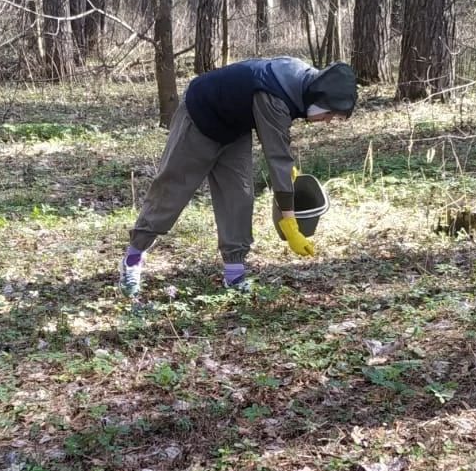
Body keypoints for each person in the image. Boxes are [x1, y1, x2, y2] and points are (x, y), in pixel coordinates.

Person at [120, 57, 357, 296]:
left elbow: (279, 139)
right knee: (172, 191)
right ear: (318, 100)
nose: (327, 121)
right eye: (328, 114)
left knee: (239, 197)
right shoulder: (274, 93)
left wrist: (288, 171)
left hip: (235, 127)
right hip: (200, 116)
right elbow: (276, 155)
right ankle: (133, 259)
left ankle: (234, 274)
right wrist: (290, 222)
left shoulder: (303, 82)